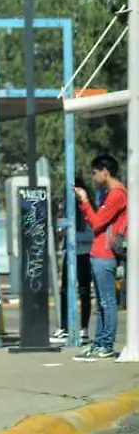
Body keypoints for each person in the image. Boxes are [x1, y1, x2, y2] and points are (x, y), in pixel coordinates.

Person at [73, 154, 127, 361]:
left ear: (105, 171)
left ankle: (105, 343)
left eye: (95, 173)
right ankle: (99, 342)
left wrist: (85, 202)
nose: (93, 177)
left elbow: (96, 223)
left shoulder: (116, 195)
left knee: (106, 301)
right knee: (102, 303)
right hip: (99, 252)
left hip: (105, 254)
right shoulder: (110, 193)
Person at [52, 177, 92, 343]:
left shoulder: (87, 209)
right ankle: (64, 326)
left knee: (84, 291)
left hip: (84, 254)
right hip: (70, 253)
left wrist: (71, 235)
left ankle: (84, 328)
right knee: (64, 291)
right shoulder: (68, 212)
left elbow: (91, 235)